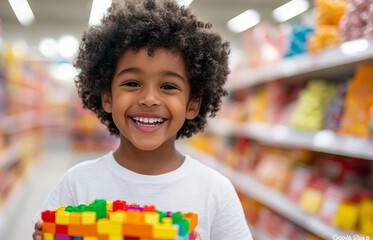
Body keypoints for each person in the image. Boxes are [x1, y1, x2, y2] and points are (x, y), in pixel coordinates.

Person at [32, 0, 252, 239]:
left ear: (193, 104)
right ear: (107, 97)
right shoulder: (78, 183)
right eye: (132, 83)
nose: (149, 99)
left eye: (168, 86)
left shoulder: (215, 191)